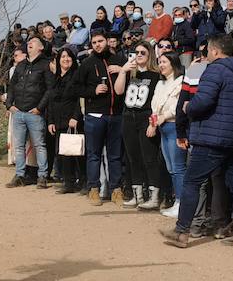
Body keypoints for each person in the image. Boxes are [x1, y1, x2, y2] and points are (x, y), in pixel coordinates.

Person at [165, 35, 233, 248]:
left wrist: (189, 107)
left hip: (212, 138)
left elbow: (203, 101)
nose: (205, 55)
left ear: (215, 51)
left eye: (207, 50)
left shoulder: (215, 70)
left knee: (192, 182)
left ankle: (181, 232)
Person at [75, 30, 127, 205]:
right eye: (94, 42)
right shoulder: (87, 64)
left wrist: (122, 70)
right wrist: (93, 91)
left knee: (114, 155)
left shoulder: (119, 60)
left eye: (100, 41)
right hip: (95, 116)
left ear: (108, 41)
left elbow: (131, 78)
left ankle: (116, 190)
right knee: (94, 155)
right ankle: (94, 189)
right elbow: (75, 88)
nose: (97, 44)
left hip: (116, 115)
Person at [116, 40, 164, 208]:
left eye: (143, 52)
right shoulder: (130, 73)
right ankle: (138, 195)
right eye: (136, 53)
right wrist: (122, 72)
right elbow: (118, 91)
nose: (139, 56)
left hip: (145, 117)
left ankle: (154, 196)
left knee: (149, 157)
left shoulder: (156, 74)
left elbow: (158, 102)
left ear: (150, 54)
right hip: (129, 116)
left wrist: (153, 123)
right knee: (132, 158)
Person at [5, 35, 52, 189]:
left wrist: (40, 108)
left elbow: (50, 89)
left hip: (35, 113)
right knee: (18, 146)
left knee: (39, 145)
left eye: (34, 42)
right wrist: (9, 105)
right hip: (18, 112)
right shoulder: (21, 65)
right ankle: (19, 175)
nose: (30, 43)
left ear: (41, 47)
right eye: (29, 41)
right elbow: (11, 86)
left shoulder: (45, 65)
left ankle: (43, 176)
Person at [149, 52, 186, 215]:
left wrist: (165, 116)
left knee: (178, 167)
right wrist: (154, 121)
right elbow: (155, 105)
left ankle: (181, 203)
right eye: (159, 62)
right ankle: (177, 200)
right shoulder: (160, 83)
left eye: (164, 62)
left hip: (173, 126)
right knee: (171, 167)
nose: (161, 65)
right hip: (162, 128)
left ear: (173, 63)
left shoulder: (181, 82)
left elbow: (178, 106)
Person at [47, 47, 85, 194]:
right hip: (58, 120)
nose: (65, 59)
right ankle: (68, 182)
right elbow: (51, 100)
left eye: (68, 56)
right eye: (62, 57)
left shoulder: (76, 75)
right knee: (62, 153)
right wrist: (50, 121)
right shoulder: (55, 78)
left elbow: (79, 99)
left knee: (77, 152)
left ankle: (82, 181)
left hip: (72, 121)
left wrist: (76, 116)